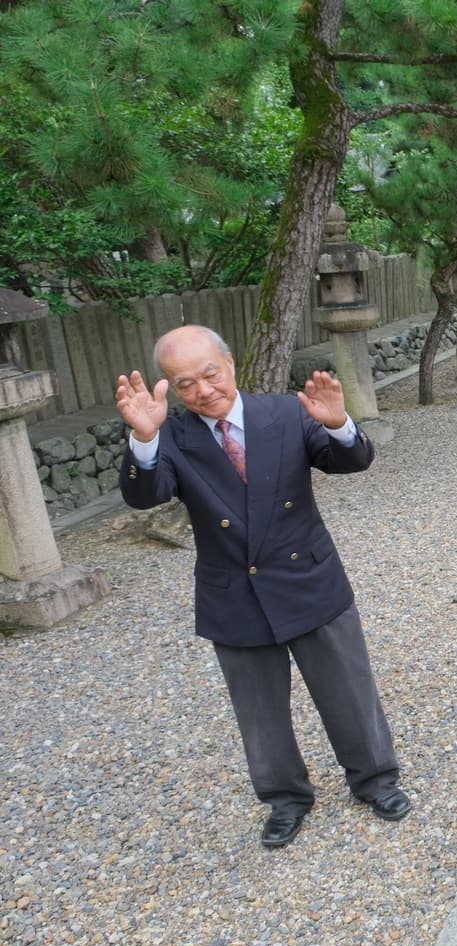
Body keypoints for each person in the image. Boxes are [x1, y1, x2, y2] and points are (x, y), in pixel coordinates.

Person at [115, 325, 409, 850]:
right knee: (258, 709)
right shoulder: (172, 436)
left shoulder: (286, 411)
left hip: (309, 577)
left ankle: (375, 780)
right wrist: (142, 437)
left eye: (209, 373)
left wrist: (340, 423)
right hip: (233, 591)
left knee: (347, 689)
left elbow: (353, 460)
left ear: (229, 364)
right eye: (185, 384)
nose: (203, 390)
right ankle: (284, 797)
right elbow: (146, 496)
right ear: (170, 389)